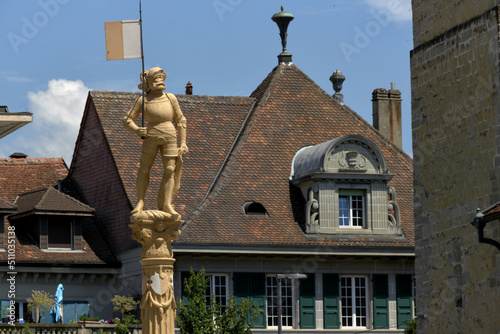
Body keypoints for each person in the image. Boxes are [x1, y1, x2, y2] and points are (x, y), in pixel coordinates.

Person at [123, 67, 188, 217]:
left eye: (161, 78)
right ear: (149, 82)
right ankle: (140, 201)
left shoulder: (170, 98)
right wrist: (137, 130)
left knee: (170, 169)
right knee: (145, 168)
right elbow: (127, 120)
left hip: (170, 135)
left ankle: (166, 203)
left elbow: (180, 120)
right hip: (150, 135)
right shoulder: (143, 100)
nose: (160, 81)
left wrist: (183, 142)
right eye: (156, 79)